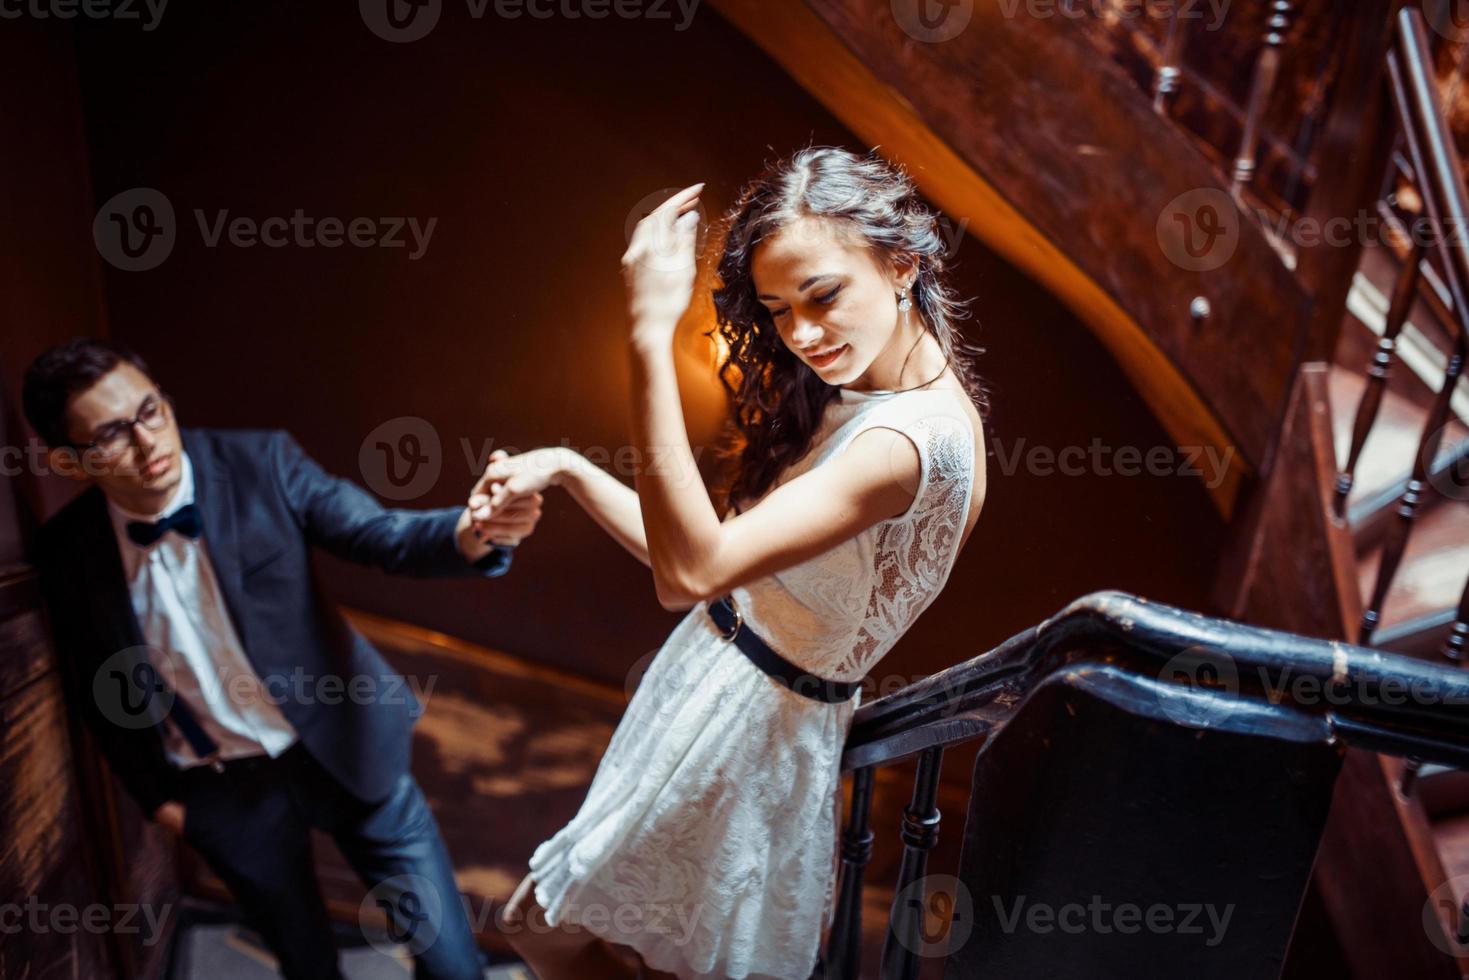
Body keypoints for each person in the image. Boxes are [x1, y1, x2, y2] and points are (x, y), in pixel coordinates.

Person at [488, 146, 990, 978]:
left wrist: (649, 331)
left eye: (822, 296)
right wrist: (571, 470)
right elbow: (711, 569)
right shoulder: (871, 399)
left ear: (900, 263)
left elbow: (690, 572)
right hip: (711, 687)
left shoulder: (908, 442)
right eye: (778, 309)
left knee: (544, 926)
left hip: (748, 735)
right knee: (571, 933)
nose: (801, 334)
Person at [23, 338, 543, 980]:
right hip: (226, 792)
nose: (147, 439)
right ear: (70, 462)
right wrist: (159, 800)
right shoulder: (66, 551)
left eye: (151, 410)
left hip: (349, 751)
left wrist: (474, 532)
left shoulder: (259, 462)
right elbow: (95, 688)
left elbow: (379, 535)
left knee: (452, 965)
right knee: (306, 966)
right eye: (111, 433)